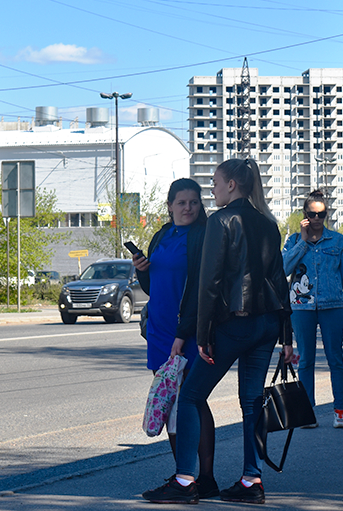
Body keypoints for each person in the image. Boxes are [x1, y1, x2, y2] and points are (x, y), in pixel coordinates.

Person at [143, 158, 293, 505]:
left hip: (234, 323)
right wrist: (287, 337)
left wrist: (202, 334)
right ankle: (251, 480)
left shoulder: (221, 221)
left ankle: (184, 481)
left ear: (231, 185)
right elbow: (279, 282)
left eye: (214, 182)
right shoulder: (269, 223)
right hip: (267, 323)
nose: (211, 189)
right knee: (251, 401)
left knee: (192, 397)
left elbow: (207, 285)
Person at [132, 178, 218, 498]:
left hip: (189, 333)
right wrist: (142, 269)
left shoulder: (204, 236)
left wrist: (190, 331)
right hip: (159, 332)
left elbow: (204, 288)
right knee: (171, 403)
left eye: (193, 202)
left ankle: (203, 477)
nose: (188, 208)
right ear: (169, 206)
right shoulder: (161, 236)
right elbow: (154, 288)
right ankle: (184, 476)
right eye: (181, 203)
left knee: (193, 401)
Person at [282, 190, 343, 428]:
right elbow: (283, 269)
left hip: (332, 306)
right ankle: (308, 412)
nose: (317, 219)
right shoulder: (294, 241)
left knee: (335, 358)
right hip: (301, 308)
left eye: (322, 214)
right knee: (305, 360)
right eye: (312, 214)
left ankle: (340, 410)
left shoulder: (337, 242)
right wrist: (303, 242)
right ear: (305, 215)